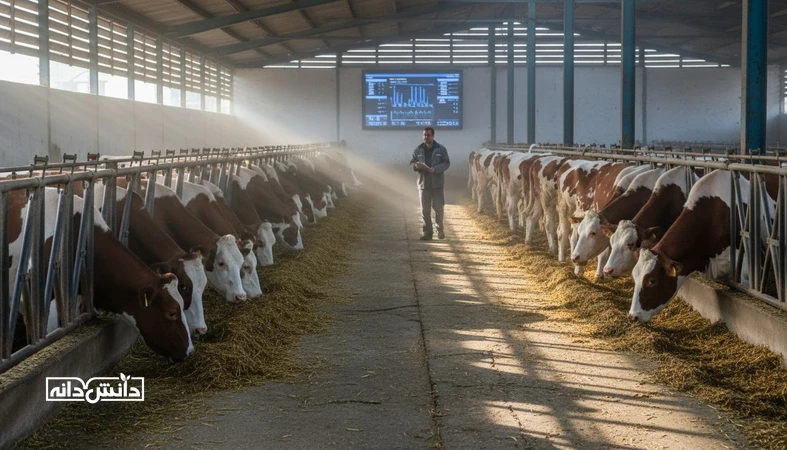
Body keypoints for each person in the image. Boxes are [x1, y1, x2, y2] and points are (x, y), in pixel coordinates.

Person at [410, 126, 451, 240]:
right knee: (425, 210)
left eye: (428, 135)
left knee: (438, 208)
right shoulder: (418, 149)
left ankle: (440, 229)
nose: (426, 137)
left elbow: (447, 163)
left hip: (437, 184)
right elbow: (412, 162)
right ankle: (428, 233)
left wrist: (436, 169)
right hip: (423, 184)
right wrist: (415, 166)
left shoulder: (441, 149)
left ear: (433, 136)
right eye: (424, 135)